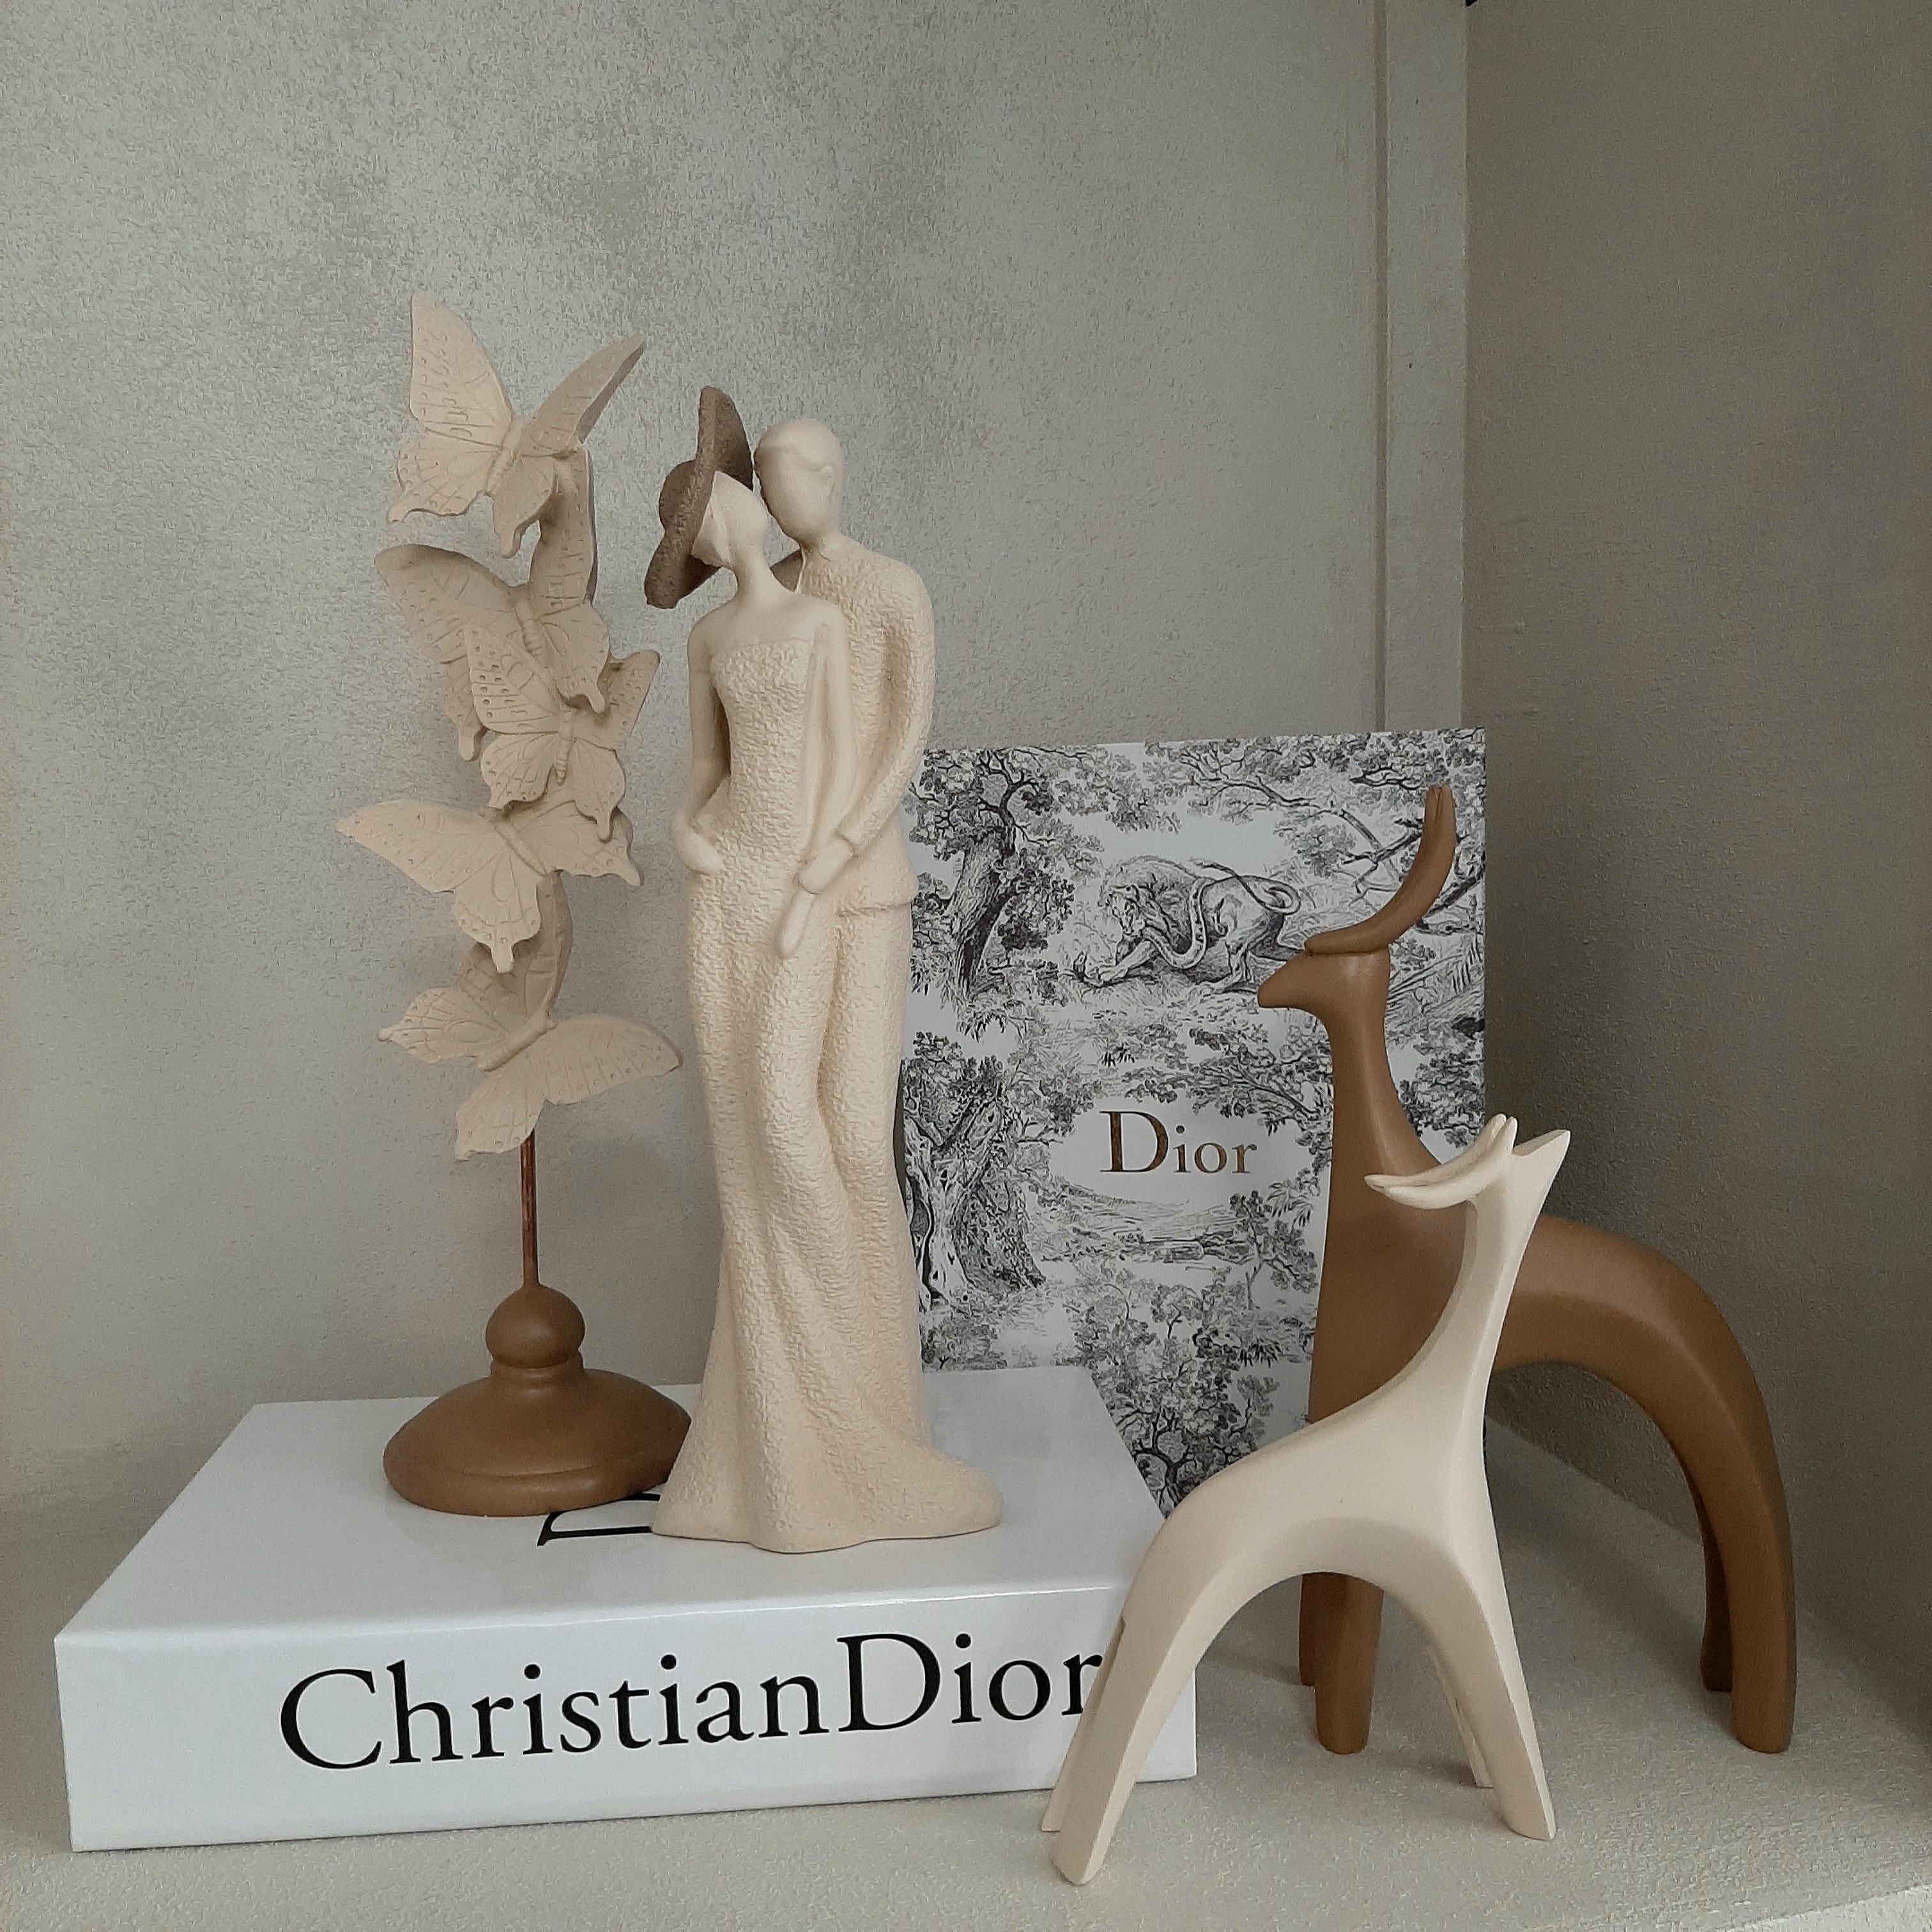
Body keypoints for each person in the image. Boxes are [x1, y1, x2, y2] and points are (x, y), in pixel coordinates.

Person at [646, 390, 1000, 1552]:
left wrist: (829, 860)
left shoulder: (885, 592)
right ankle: (807, 1406)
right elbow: (714, 764)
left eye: (790, 470)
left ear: (832, 477)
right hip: (768, 883)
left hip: (859, 883)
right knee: (792, 1136)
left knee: (851, 1139)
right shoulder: (747, 618)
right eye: (762, 475)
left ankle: (874, 1406)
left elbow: (897, 743)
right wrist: (717, 842)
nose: (773, 490)